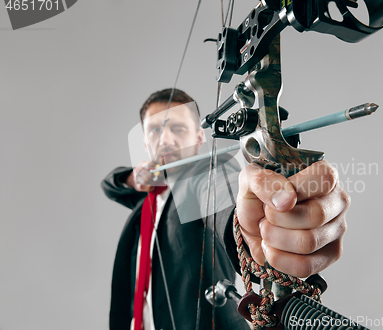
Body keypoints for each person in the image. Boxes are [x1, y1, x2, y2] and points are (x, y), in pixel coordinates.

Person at [101, 88, 350, 330]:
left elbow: (221, 195)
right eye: (155, 130)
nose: (165, 139)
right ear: (145, 142)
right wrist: (131, 179)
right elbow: (110, 185)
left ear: (199, 137)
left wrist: (251, 223)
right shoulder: (145, 203)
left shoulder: (200, 179)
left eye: (177, 128)